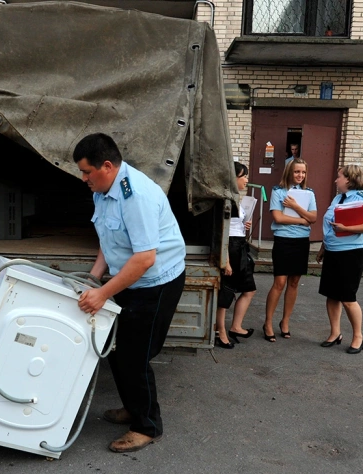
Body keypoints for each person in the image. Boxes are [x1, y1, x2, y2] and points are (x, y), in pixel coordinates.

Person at [73, 133, 186, 453]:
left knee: (135, 357)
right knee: (118, 352)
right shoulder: (102, 189)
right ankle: (134, 408)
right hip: (128, 279)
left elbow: (145, 258)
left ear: (106, 166)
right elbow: (109, 240)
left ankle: (147, 426)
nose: (83, 179)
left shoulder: (136, 196)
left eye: (86, 172)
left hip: (156, 282)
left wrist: (103, 294)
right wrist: (95, 278)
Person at [316, 165, 363, 354]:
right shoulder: (337, 198)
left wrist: (346, 229)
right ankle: (335, 333)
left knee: (348, 298)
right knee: (331, 294)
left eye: (339, 177)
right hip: (333, 250)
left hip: (352, 252)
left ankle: (358, 336)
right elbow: (330, 224)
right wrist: (324, 246)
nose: (336, 180)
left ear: (349, 180)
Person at [263, 158, 317, 342]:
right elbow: (278, 217)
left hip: (302, 241)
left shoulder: (309, 193)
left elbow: (314, 217)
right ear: (289, 172)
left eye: (303, 172)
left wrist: (295, 207)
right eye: (296, 172)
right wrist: (302, 220)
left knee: (294, 282)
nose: (300, 175)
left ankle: (285, 322)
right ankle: (268, 322)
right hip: (284, 240)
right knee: (279, 282)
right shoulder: (278, 191)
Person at [214, 162, 256, 349]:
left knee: (249, 288)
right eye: (243, 176)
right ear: (233, 178)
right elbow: (222, 230)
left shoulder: (236, 199)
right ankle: (220, 331)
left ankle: (236, 327)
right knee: (226, 292)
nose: (246, 180)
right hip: (230, 246)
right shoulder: (226, 200)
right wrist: (226, 260)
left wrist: (244, 225)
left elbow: (235, 226)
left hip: (239, 245)